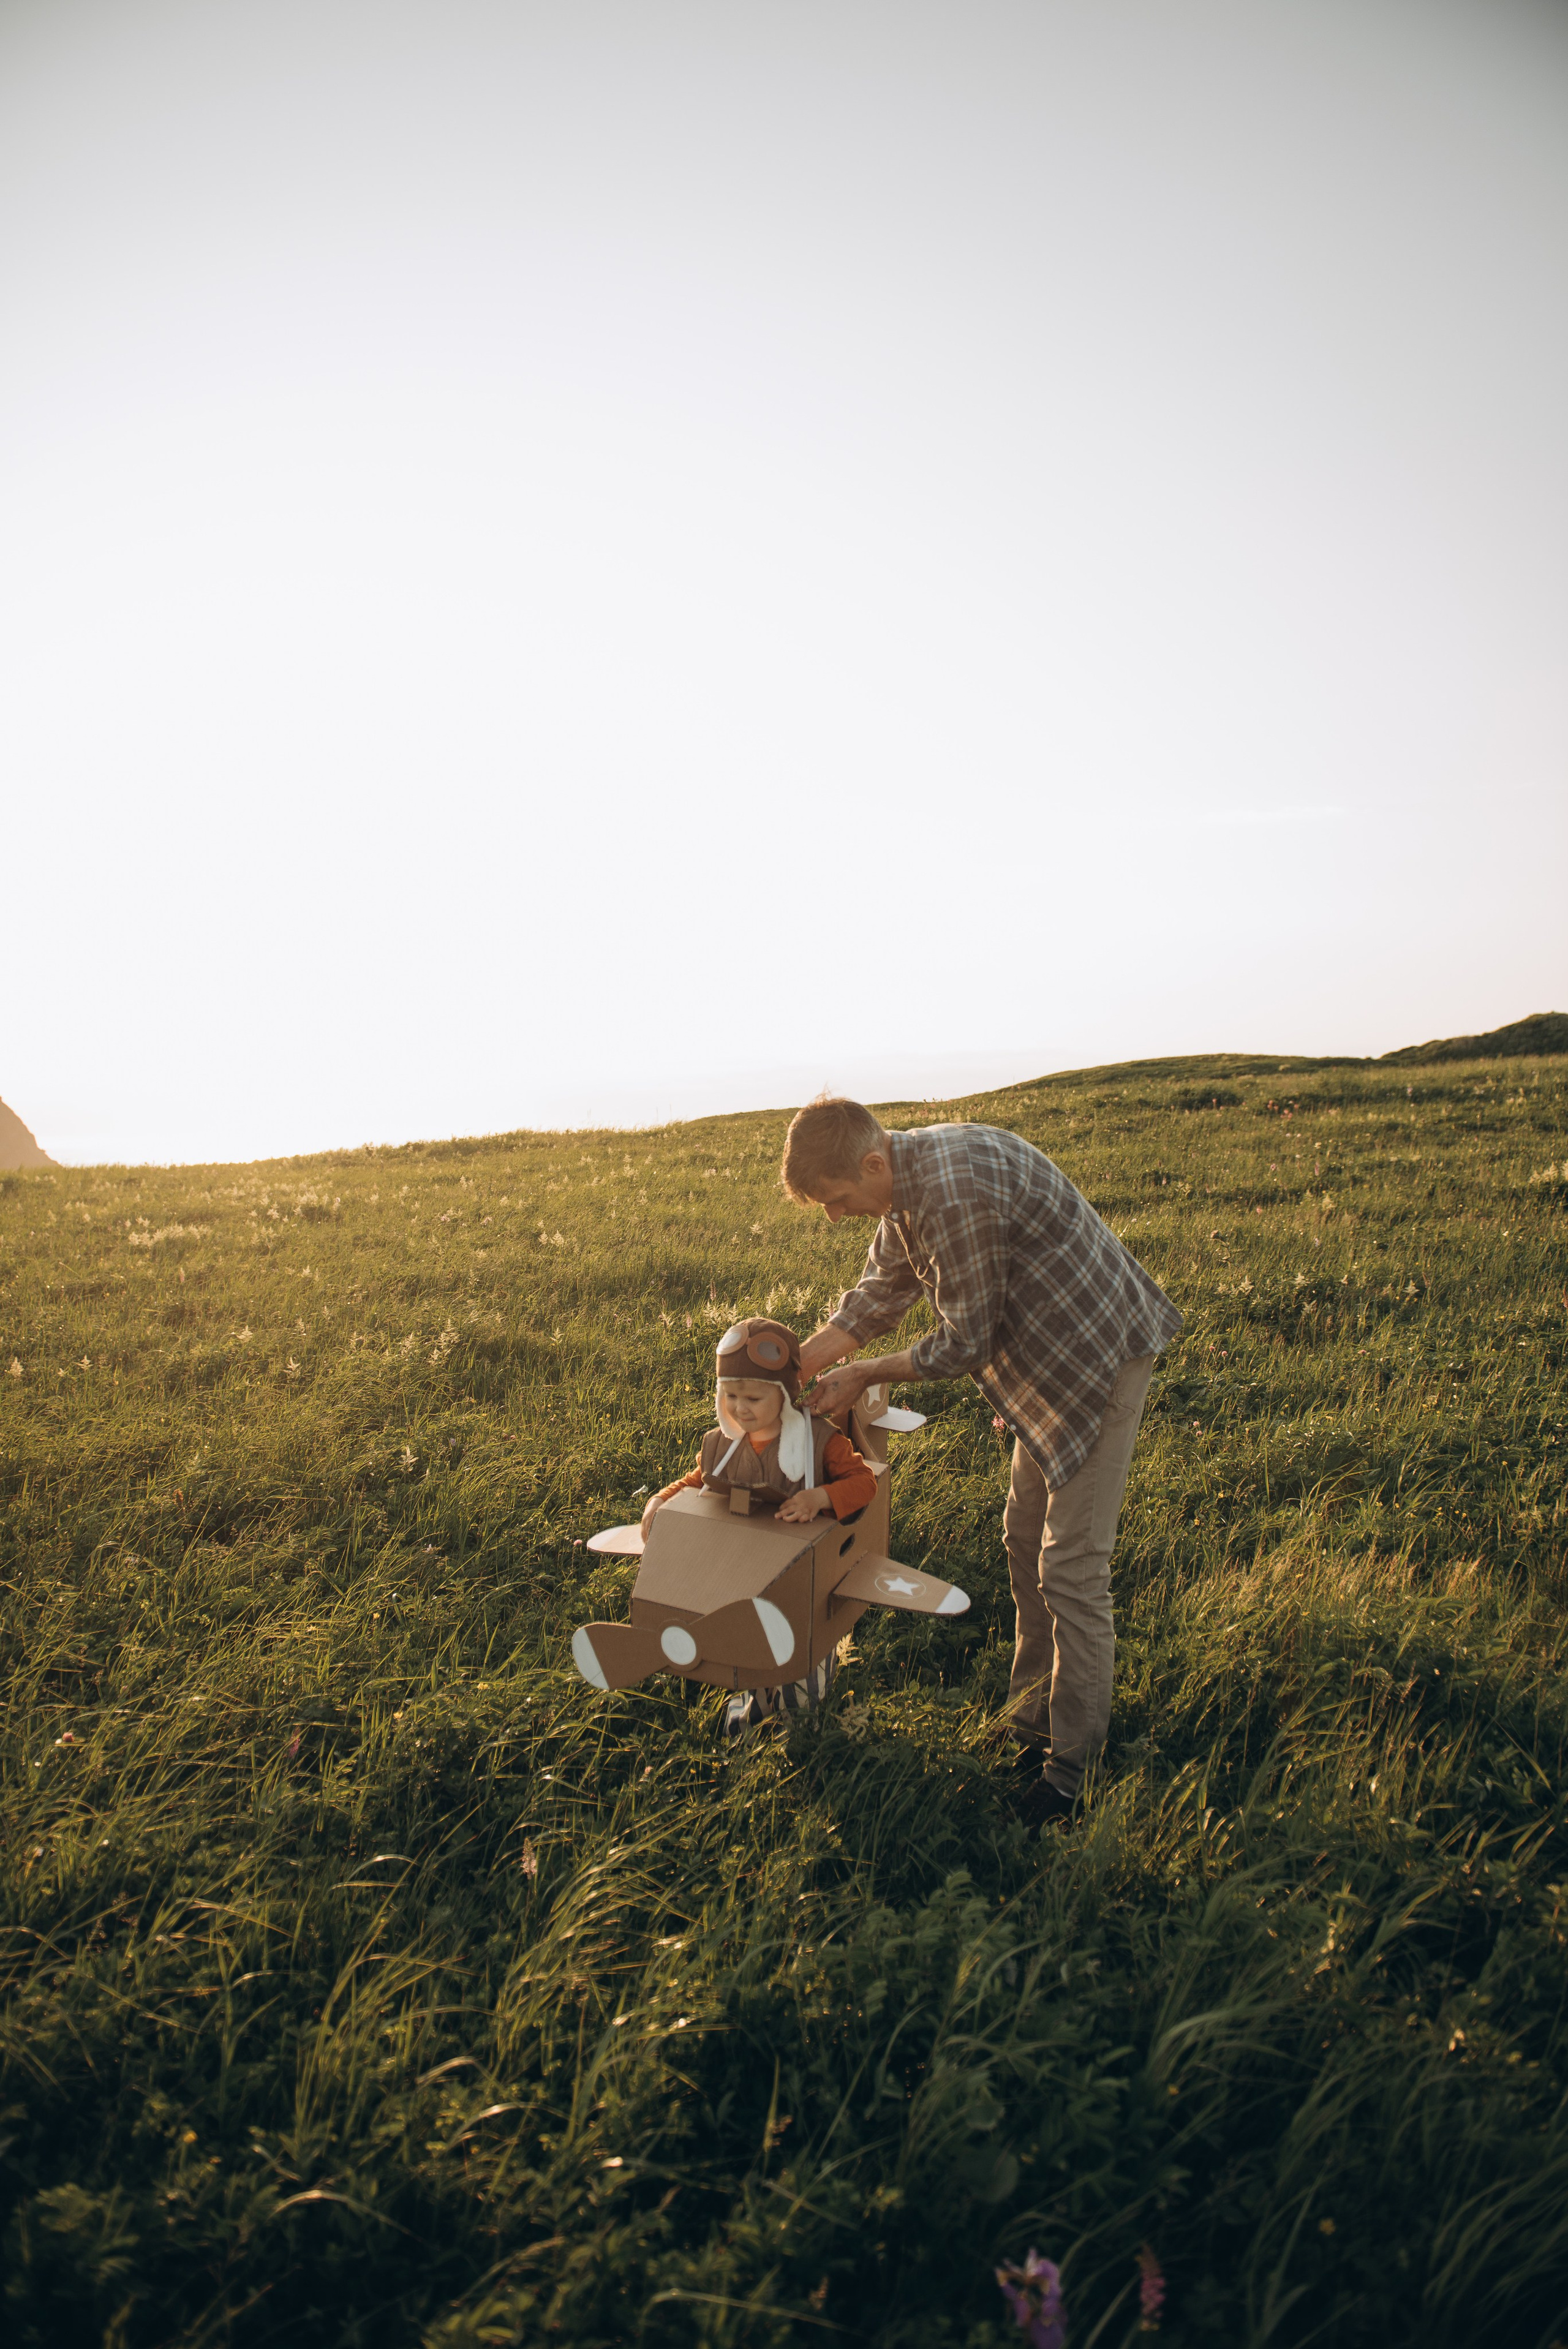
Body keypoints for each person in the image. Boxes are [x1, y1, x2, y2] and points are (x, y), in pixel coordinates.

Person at [782, 1097, 1182, 1826]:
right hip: (1045, 1369)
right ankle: (1032, 1720)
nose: (837, 1217)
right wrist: (795, 1367)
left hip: (1097, 1356)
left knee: (1071, 1566)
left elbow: (963, 1342)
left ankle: (1069, 1775)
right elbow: (880, 1291)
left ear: (872, 1164)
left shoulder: (953, 1188)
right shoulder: (901, 1188)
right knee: (1023, 1540)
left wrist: (866, 1374)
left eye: (838, 1201)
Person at [641, 1316, 876, 1733]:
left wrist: (820, 1496)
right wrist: (663, 1498)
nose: (740, 1408)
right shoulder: (723, 1444)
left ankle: (800, 1731)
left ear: (786, 1396)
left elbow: (864, 1484)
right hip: (746, 1574)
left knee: (799, 1664)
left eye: (752, 1397)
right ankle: (754, 1711)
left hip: (803, 1577)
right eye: (730, 1396)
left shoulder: (820, 1442)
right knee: (750, 1648)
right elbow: (700, 1479)